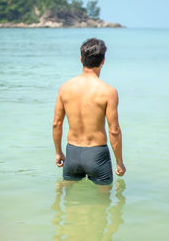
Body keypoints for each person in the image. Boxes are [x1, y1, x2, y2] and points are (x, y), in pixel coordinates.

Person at [53, 38, 126, 185]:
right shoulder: (108, 91)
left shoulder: (65, 87)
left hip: (72, 153)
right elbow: (114, 131)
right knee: (102, 204)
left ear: (81, 59)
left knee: (70, 204)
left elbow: (56, 124)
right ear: (103, 61)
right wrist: (119, 162)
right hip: (97, 155)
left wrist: (58, 152)